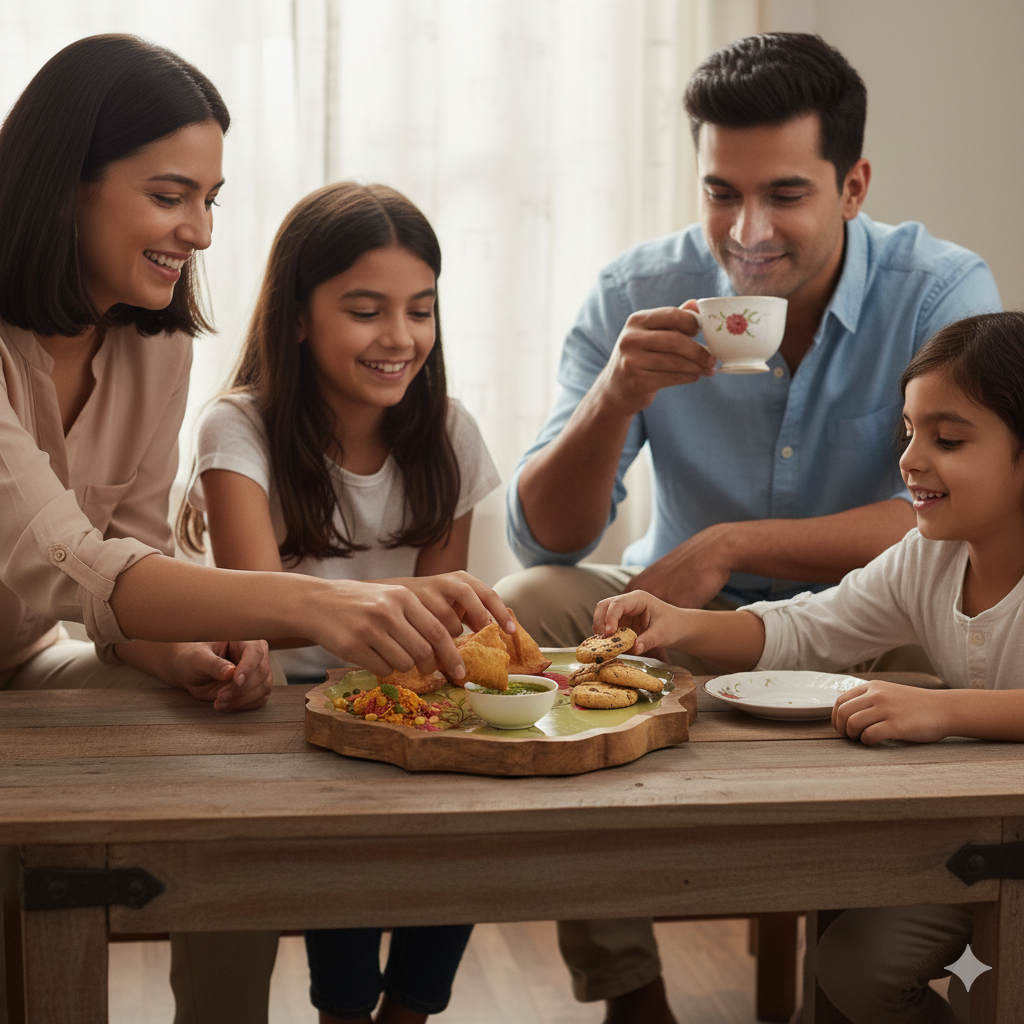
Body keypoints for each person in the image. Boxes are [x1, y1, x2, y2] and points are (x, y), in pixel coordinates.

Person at [0, 35, 511, 1024]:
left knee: (223, 760)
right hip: (33, 645)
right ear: (68, 183)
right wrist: (327, 601)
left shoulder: (151, 345)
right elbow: (72, 559)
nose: (197, 230)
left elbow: (131, 568)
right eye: (169, 194)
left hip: (22, 656)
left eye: (210, 199)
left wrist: (180, 651)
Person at [496, 30, 1001, 1024]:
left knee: (927, 651)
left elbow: (951, 512)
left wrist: (730, 544)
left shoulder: (937, 291)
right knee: (533, 608)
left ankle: (857, 953)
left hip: (871, 610)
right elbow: (542, 540)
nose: (747, 229)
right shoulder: (636, 294)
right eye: (721, 191)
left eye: (784, 193)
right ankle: (631, 991)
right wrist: (612, 397)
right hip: (690, 600)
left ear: (853, 185)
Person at [593, 310, 1024, 1024]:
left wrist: (944, 711)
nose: (911, 460)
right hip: (982, 847)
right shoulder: (929, 558)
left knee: (991, 996)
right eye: (909, 432)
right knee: (853, 966)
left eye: (947, 439)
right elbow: (809, 628)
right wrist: (680, 623)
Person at [176, 181, 498, 1023]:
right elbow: (263, 607)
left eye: (420, 310)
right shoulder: (237, 429)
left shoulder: (451, 433)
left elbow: (443, 633)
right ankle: (346, 1010)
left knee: (469, 808)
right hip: (287, 707)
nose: (400, 338)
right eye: (366, 310)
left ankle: (411, 1010)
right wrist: (412, 608)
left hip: (407, 696)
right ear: (296, 315)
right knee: (339, 810)